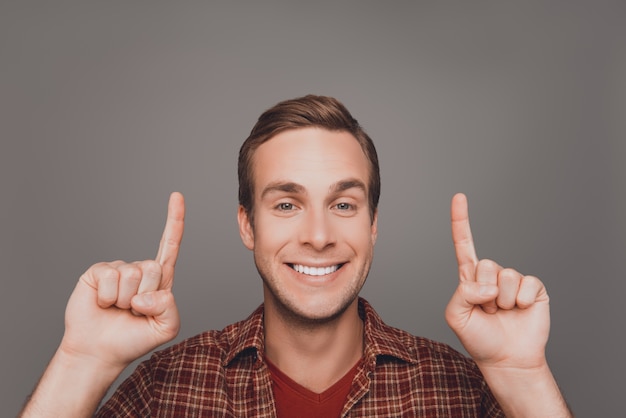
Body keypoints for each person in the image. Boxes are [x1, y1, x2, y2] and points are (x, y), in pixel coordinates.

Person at [20, 95, 572, 417]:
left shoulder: (458, 391)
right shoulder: (168, 386)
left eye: (343, 203)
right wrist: (82, 363)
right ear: (246, 225)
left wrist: (524, 377)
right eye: (286, 203)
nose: (317, 234)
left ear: (373, 224)